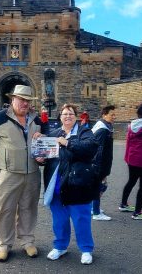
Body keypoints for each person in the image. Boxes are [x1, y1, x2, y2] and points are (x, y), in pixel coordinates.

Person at [0, 85, 48, 262]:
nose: (25, 103)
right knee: (5, 210)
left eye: (28, 101)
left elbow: (45, 144)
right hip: (9, 174)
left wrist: (42, 157)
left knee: (28, 209)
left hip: (32, 174)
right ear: (12, 99)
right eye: (21, 99)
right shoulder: (0, 118)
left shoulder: (36, 120)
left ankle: (27, 241)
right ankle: (3, 244)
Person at [41, 103, 99, 265]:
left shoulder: (84, 132)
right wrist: (41, 158)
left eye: (71, 114)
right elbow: (48, 157)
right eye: (65, 114)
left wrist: (67, 143)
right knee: (59, 219)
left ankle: (86, 249)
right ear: (60, 116)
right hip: (56, 184)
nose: (67, 116)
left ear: (76, 117)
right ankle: (60, 246)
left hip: (77, 184)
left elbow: (90, 148)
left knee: (81, 218)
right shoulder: (54, 134)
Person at [91, 105, 116, 221]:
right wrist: (99, 168)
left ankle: (94, 208)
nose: (114, 117)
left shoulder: (106, 126)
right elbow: (98, 149)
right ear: (104, 115)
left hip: (103, 164)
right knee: (99, 186)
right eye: (112, 115)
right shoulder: (102, 130)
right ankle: (96, 212)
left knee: (101, 186)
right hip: (99, 165)